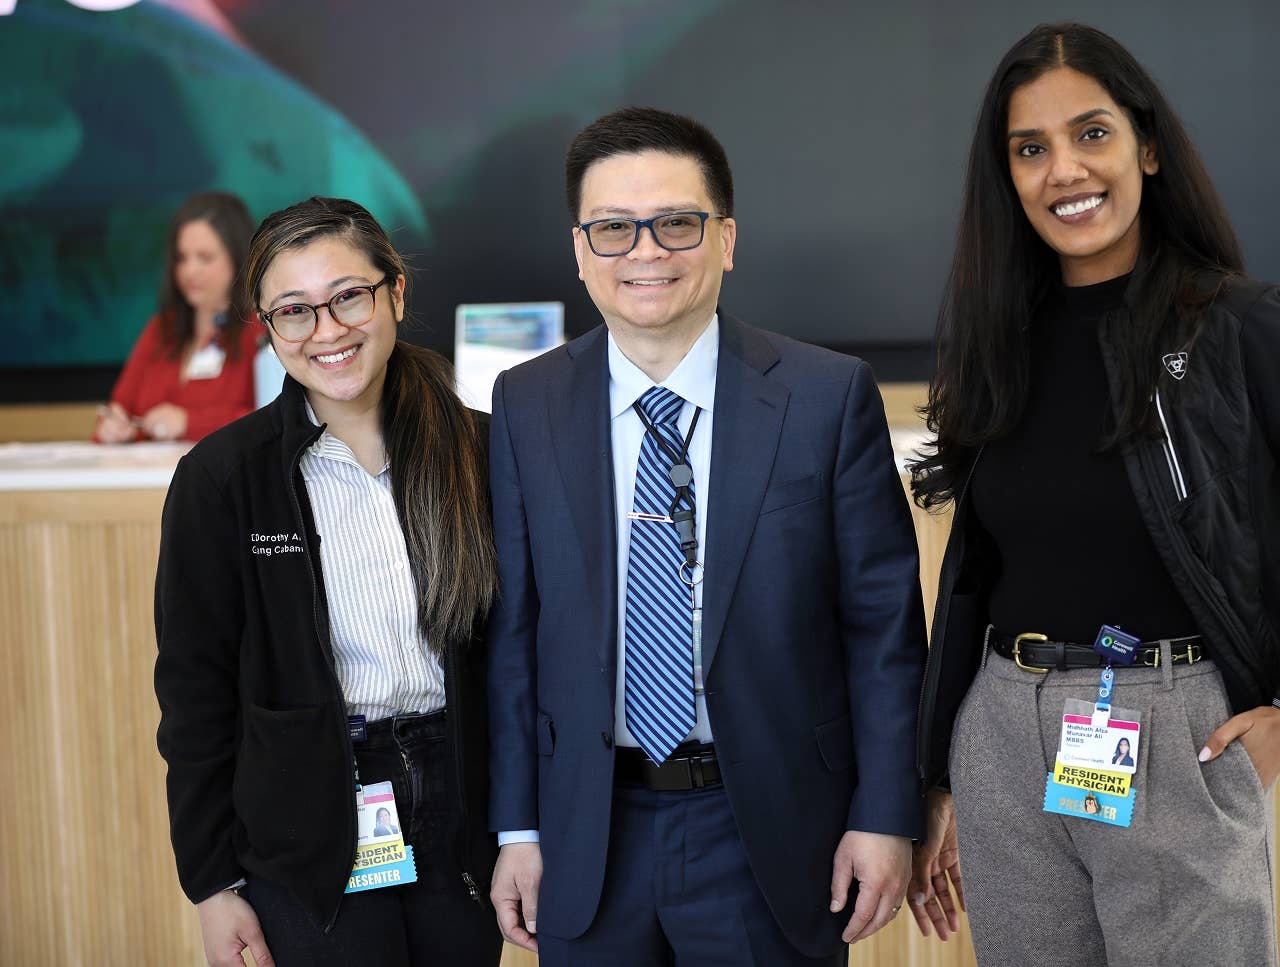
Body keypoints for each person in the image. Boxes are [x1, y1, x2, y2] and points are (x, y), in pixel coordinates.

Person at [486, 106, 928, 966]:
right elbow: (513, 634)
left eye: (676, 224)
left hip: (768, 828)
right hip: (587, 831)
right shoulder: (524, 403)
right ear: (580, 251)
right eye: (613, 228)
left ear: (725, 239)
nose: (645, 252)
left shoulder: (825, 398)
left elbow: (882, 631)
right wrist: (518, 825)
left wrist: (884, 814)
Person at [909, 22, 1280, 966]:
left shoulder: (1237, 327)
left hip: (1174, 725)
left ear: (1147, 148)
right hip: (1004, 727)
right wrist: (935, 776)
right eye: (1030, 149)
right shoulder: (998, 346)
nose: (1064, 170)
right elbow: (975, 574)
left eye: (1093, 134)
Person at [154, 196, 502, 967]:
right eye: (295, 311)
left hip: (462, 807)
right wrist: (212, 886)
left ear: (396, 293)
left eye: (348, 296)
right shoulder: (223, 479)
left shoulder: (480, 448)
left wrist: (523, 830)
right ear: (266, 328)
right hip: (309, 808)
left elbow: (518, 657)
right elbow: (193, 696)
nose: (328, 331)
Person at [95, 191, 260, 443]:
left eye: (205, 258)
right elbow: (119, 409)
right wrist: (111, 427)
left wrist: (189, 423)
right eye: (181, 258)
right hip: (146, 478)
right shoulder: (161, 330)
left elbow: (275, 421)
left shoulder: (261, 331)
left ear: (238, 259)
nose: (189, 271)